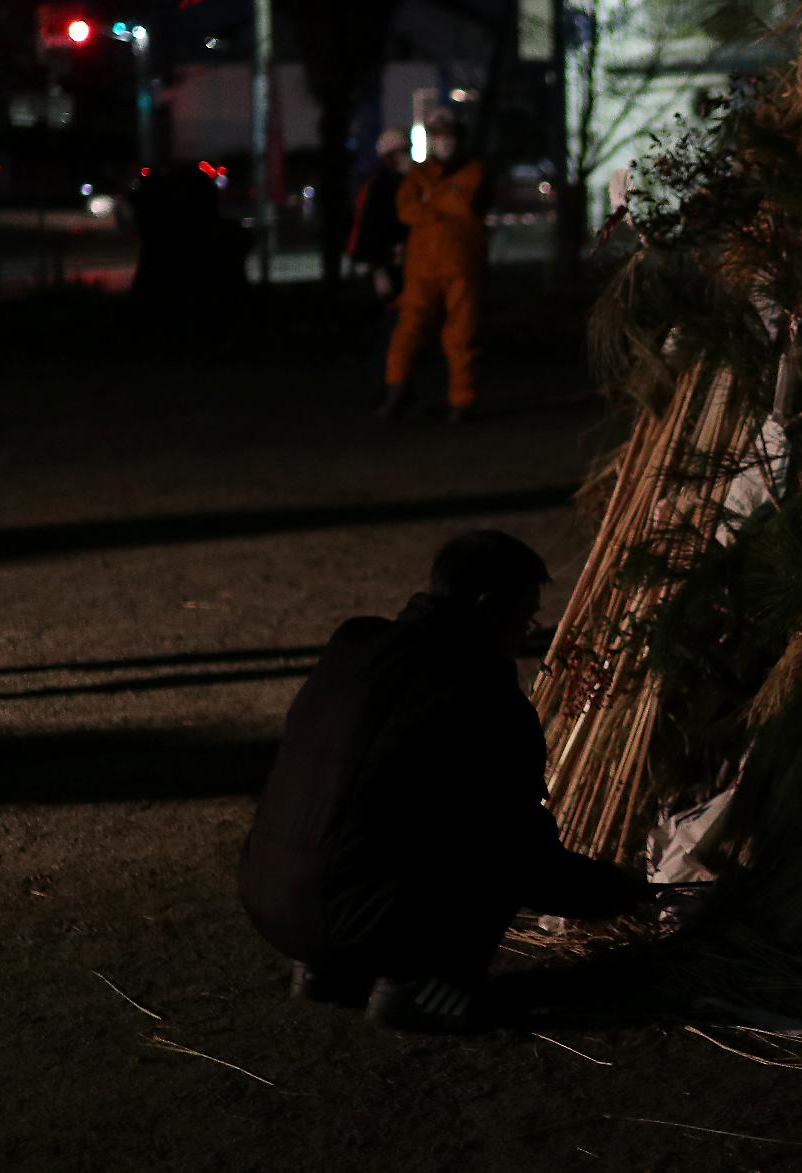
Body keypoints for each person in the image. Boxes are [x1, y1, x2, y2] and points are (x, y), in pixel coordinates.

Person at [238, 530, 644, 1031]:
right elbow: (519, 851)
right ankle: (417, 990)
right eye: (523, 618)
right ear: (486, 605)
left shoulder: (354, 644)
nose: (523, 636)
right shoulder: (479, 694)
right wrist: (614, 892)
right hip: (361, 923)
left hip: (267, 900)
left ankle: (326, 971)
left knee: (363, 815)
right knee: (487, 853)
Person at [380, 109, 488, 422]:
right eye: (437, 137)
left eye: (448, 136)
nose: (443, 143)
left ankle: (461, 401)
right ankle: (395, 392)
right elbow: (406, 210)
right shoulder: (419, 176)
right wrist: (444, 202)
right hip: (422, 269)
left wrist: (431, 200)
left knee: (460, 336)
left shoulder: (473, 170)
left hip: (459, 266)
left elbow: (464, 205)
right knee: (406, 332)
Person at [349, 129, 412, 404]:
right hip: (388, 269)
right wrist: (378, 271)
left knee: (397, 332)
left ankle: (394, 391)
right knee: (392, 332)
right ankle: (387, 390)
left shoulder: (395, 183)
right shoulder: (382, 186)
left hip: (395, 267)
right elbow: (370, 233)